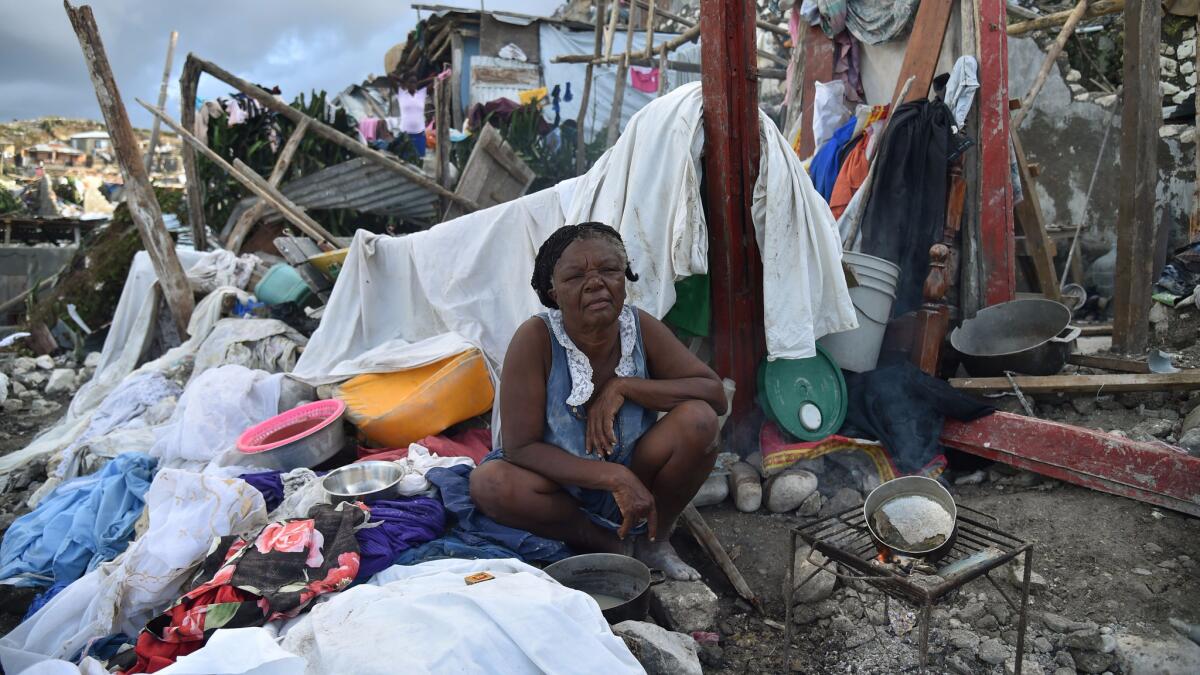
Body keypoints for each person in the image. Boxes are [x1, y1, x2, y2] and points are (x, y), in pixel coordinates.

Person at [470, 223, 727, 580]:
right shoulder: (536, 339)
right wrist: (613, 476)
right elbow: (520, 448)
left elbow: (714, 395)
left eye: (608, 270)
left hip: (638, 471)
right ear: (554, 292)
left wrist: (625, 386)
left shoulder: (638, 327)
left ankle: (654, 540)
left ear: (625, 277)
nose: (595, 283)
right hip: (558, 485)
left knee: (698, 420)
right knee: (489, 482)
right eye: (575, 276)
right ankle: (609, 543)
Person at [396, 73, 428, 158]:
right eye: (411, 82)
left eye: (415, 82)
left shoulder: (421, 94)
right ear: (406, 83)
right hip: (405, 135)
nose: (413, 84)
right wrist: (403, 81)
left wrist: (420, 82)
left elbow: (436, 79)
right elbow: (390, 76)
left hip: (420, 134)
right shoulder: (401, 94)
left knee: (420, 159)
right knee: (405, 160)